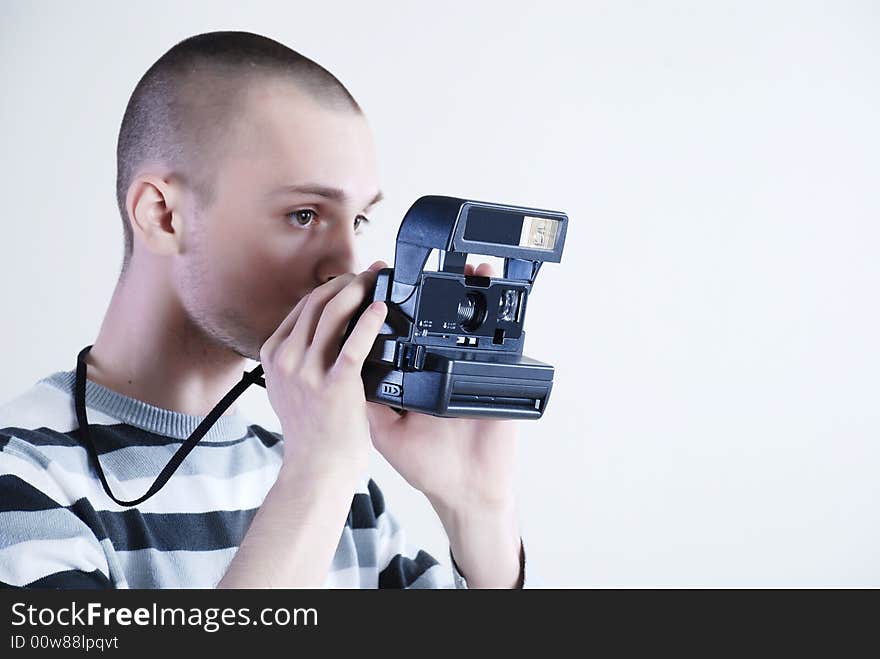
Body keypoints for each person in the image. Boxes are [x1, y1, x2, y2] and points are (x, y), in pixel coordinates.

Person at [0, 31, 538, 589]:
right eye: (305, 215)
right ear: (162, 216)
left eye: (358, 222)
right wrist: (317, 478)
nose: (348, 265)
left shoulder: (346, 503)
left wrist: (478, 511)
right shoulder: (24, 483)